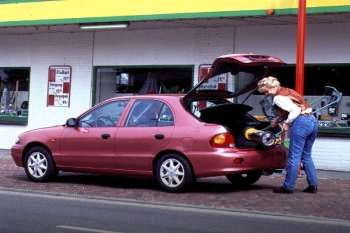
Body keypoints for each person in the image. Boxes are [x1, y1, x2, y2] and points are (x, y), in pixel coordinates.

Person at [257, 76, 318, 194]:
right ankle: (313, 185)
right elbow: (294, 107)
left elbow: (295, 111)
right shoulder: (288, 91)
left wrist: (286, 123)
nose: (266, 94)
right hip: (312, 121)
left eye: (266, 91)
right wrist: (278, 119)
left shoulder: (278, 97)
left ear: (272, 87)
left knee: (294, 156)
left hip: (300, 123)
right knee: (306, 155)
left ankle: (288, 187)